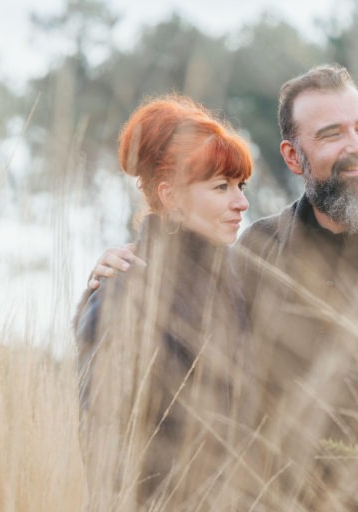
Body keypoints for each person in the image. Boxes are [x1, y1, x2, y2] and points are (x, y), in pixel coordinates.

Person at [89, 65, 358, 510]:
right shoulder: (259, 250)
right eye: (331, 134)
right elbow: (212, 377)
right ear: (293, 157)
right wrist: (128, 265)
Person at [73, 94, 255, 510]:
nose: (241, 202)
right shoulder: (125, 290)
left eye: (241, 186)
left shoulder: (232, 282)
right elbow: (105, 449)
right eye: (221, 187)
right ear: (170, 197)